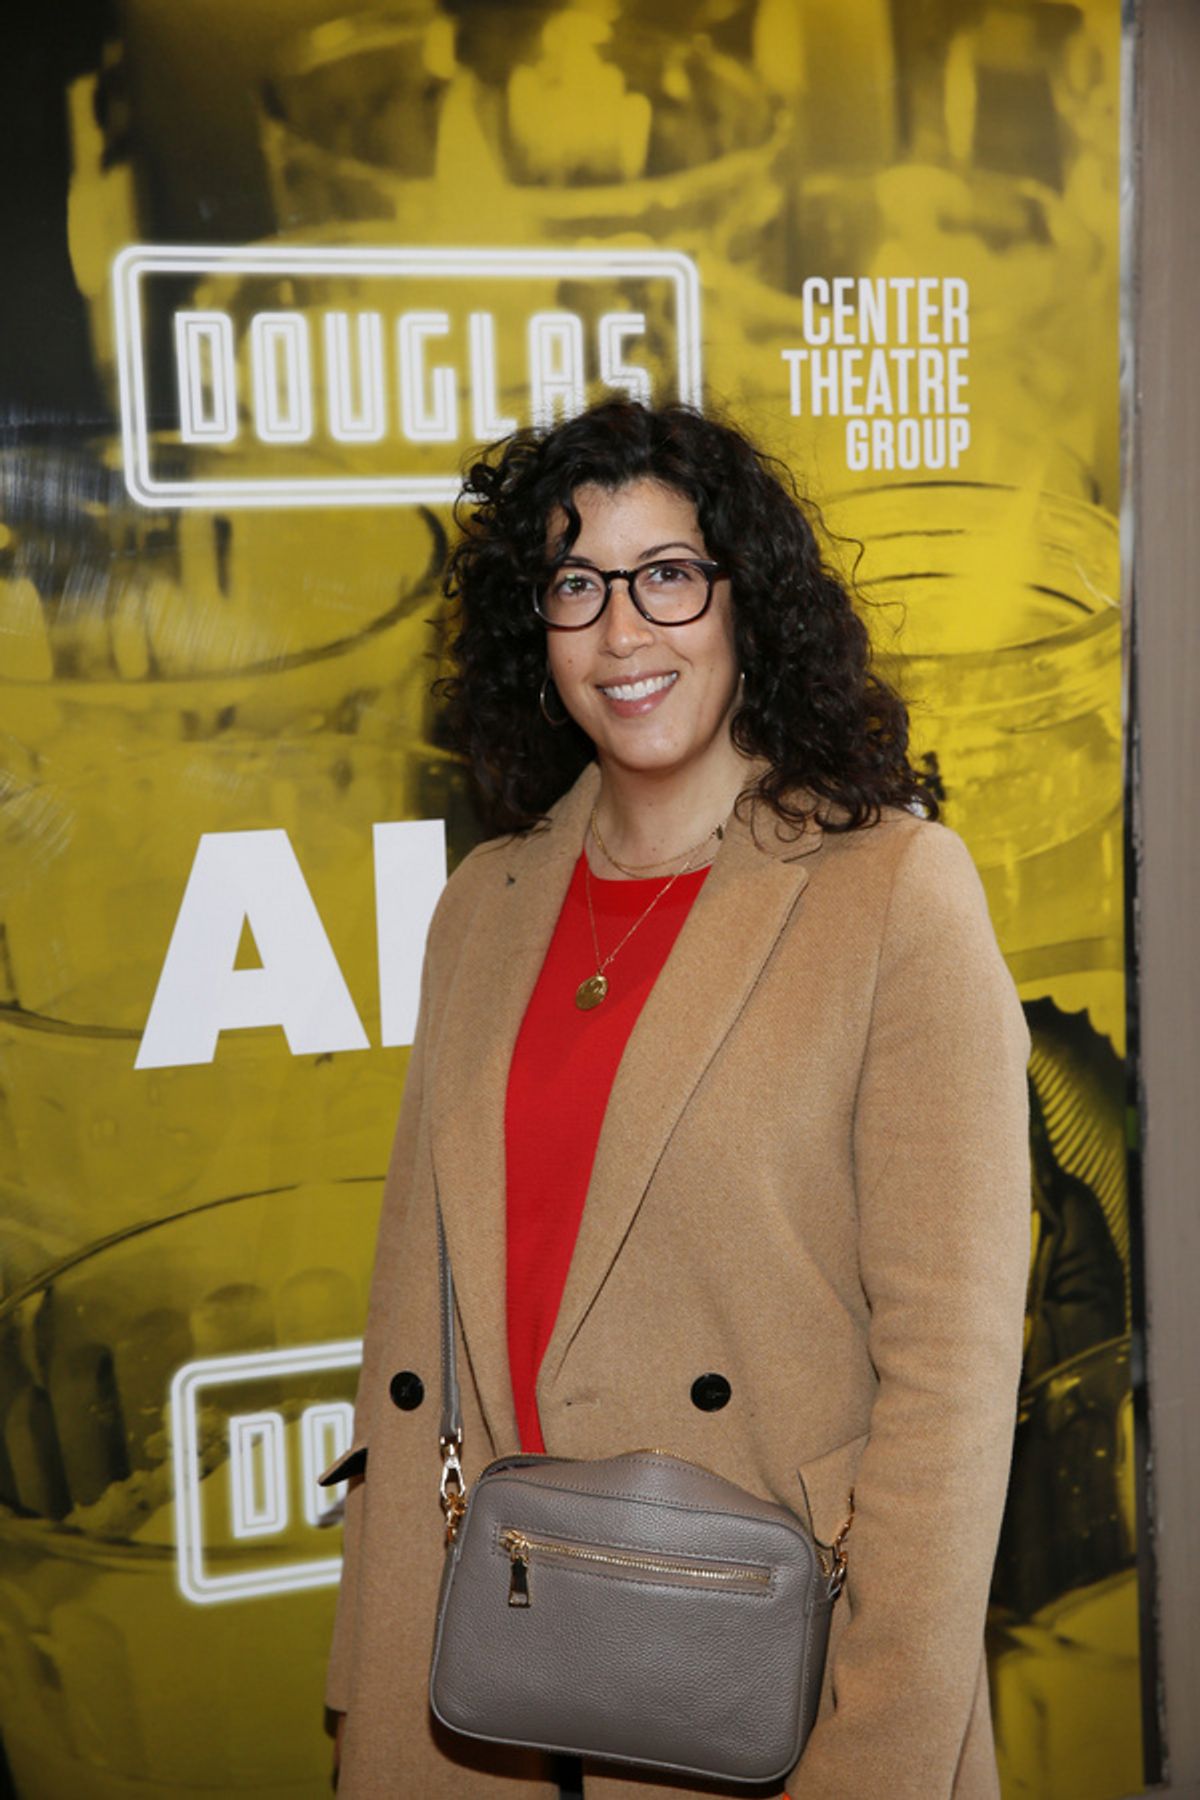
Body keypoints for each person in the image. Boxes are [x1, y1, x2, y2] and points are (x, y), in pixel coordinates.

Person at [322, 399, 1032, 1799]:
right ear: (537, 631)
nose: (622, 632)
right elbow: (413, 1338)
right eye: (575, 585)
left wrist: (874, 1757)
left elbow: (951, 1388)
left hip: (773, 1686)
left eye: (668, 575)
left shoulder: (893, 892)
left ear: (743, 602)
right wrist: (374, 1687)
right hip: (493, 1683)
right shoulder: (484, 906)